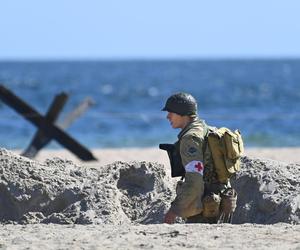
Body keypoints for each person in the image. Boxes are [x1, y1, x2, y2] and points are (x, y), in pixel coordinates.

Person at [161, 92, 230, 224]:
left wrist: (175, 210)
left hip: (206, 207)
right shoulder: (206, 129)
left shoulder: (190, 139)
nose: (167, 116)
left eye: (171, 112)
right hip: (221, 201)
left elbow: (194, 181)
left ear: (182, 113)